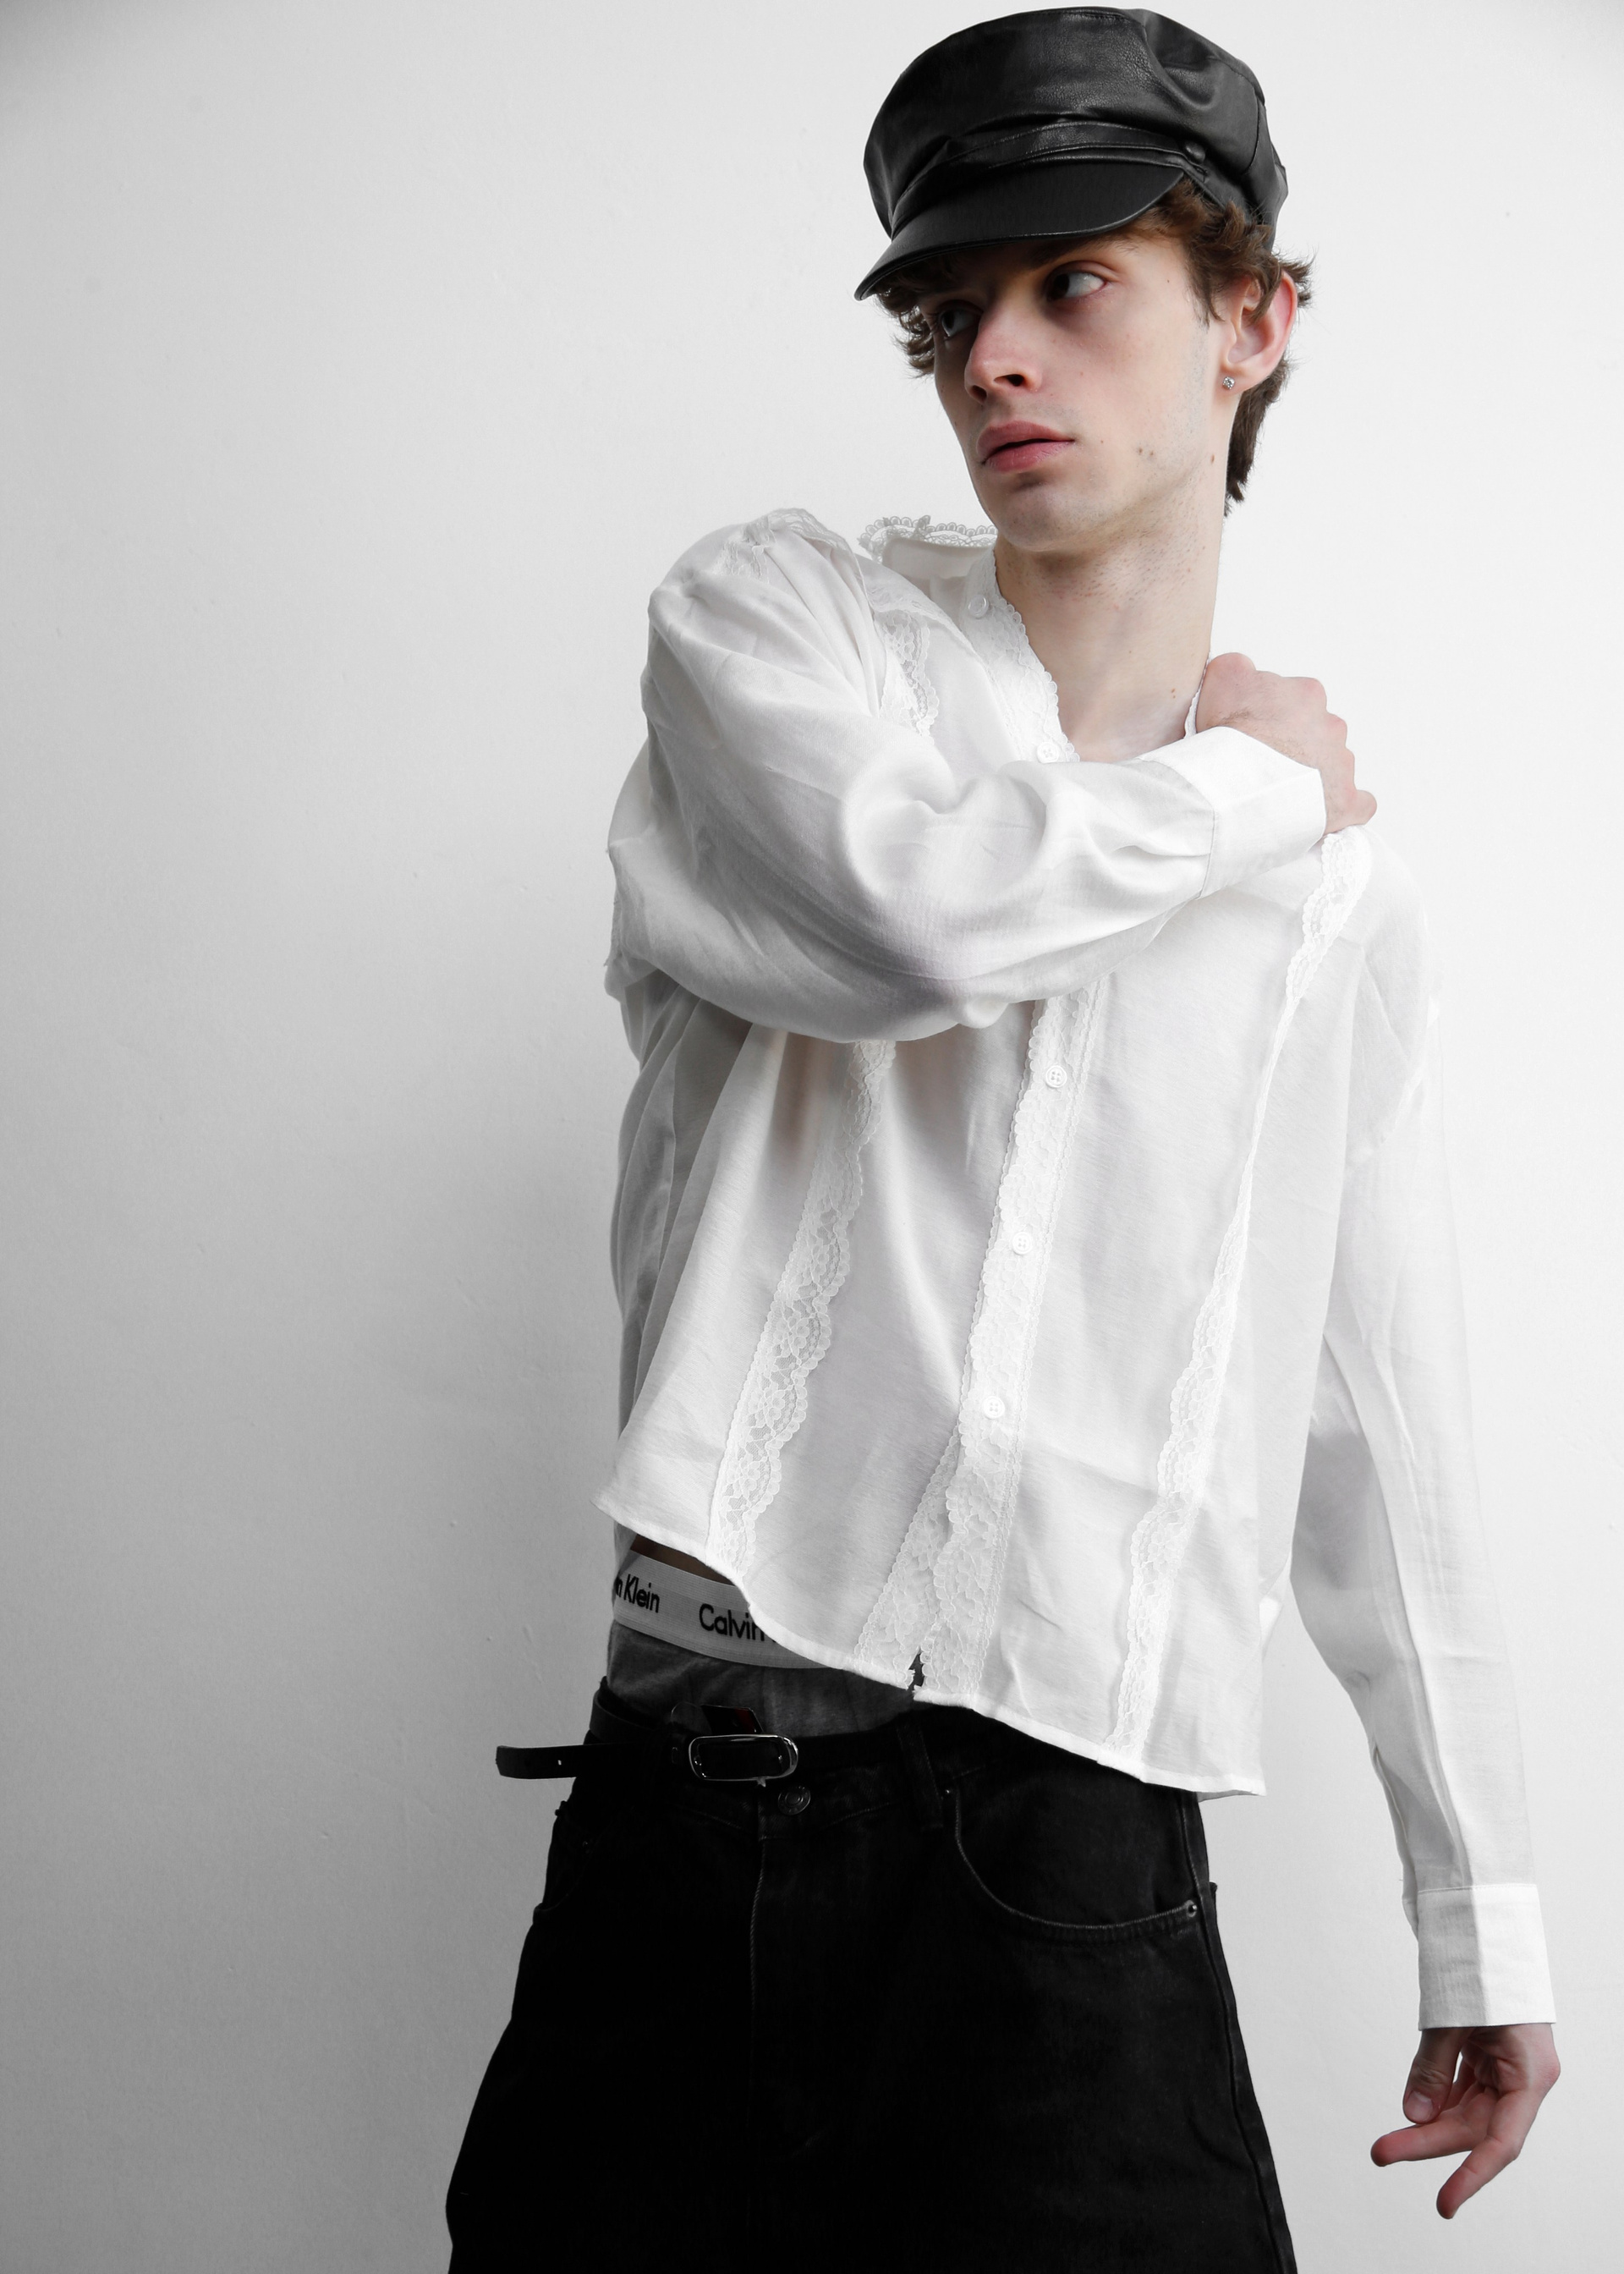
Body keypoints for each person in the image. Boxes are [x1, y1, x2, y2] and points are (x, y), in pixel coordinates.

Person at [446, 11, 1558, 2268]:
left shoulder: (1338, 900)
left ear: (1256, 322)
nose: (996, 361)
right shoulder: (788, 633)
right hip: (706, 1805)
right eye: (951, 314)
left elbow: (1374, 1410)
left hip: (1078, 1868)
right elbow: (908, 919)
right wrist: (1248, 786)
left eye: (1077, 286)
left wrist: (1482, 1914)